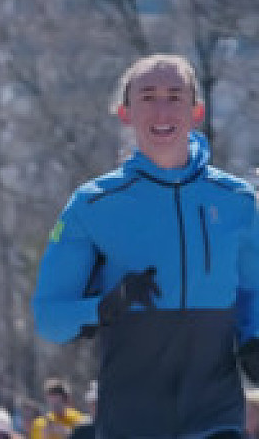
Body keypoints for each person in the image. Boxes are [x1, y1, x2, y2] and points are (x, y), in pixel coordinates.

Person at [32, 53, 259, 438]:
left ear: (197, 111)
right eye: (148, 97)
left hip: (214, 414)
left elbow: (253, 292)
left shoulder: (237, 200)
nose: (162, 110)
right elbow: (49, 318)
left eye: (175, 97)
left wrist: (253, 338)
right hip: (132, 419)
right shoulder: (93, 205)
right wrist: (106, 305)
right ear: (125, 113)